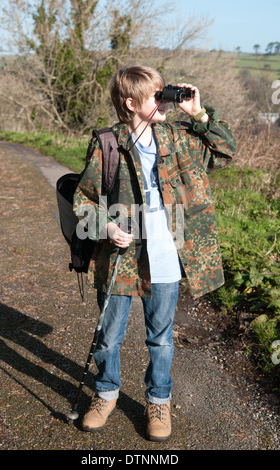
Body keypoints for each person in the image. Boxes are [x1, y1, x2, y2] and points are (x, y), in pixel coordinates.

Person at [73, 64, 236, 441]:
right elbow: (82, 200)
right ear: (131, 103)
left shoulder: (179, 136)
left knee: (161, 337)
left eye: (166, 92)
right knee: (109, 335)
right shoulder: (108, 143)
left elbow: (225, 152)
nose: (164, 100)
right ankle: (105, 393)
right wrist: (108, 226)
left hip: (167, 252)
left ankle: (158, 401)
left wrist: (198, 113)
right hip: (120, 258)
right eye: (156, 95)